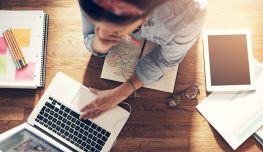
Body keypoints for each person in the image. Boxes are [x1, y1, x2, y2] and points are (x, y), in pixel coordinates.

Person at [78, 0, 207, 120]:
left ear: (141, 18)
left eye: (116, 28)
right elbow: (90, 35)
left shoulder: (191, 11)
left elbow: (164, 60)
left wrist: (121, 93)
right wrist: (101, 42)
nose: (104, 28)